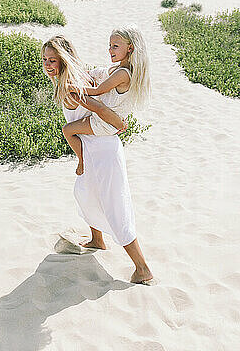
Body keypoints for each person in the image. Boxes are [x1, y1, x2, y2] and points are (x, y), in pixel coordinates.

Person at [41, 34, 155, 286]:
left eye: (52, 60)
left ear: (63, 60)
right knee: (86, 194)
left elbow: (102, 110)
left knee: (115, 208)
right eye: (45, 60)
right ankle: (97, 240)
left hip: (103, 151)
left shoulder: (73, 85)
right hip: (94, 149)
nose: (48, 65)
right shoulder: (74, 79)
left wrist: (119, 124)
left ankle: (143, 268)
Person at [62, 26, 152, 176]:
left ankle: (82, 160)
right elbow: (100, 73)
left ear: (130, 48)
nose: (110, 50)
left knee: (67, 130)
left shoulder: (123, 73)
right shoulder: (119, 68)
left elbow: (98, 91)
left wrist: (71, 87)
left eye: (115, 46)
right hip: (106, 118)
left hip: (104, 122)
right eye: (110, 46)